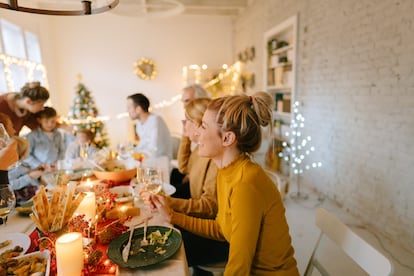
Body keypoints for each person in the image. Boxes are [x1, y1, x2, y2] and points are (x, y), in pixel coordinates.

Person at [151, 92, 299, 275]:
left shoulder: (245, 184)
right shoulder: (227, 171)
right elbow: (221, 228)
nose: (197, 132)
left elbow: (239, 268)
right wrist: (173, 216)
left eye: (204, 127)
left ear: (227, 138)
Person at [126, 93, 172, 159]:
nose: (127, 111)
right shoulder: (139, 123)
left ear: (138, 109)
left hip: (160, 162)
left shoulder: (156, 120)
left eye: (129, 108)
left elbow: (154, 149)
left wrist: (135, 154)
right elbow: (142, 145)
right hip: (148, 160)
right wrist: (131, 153)